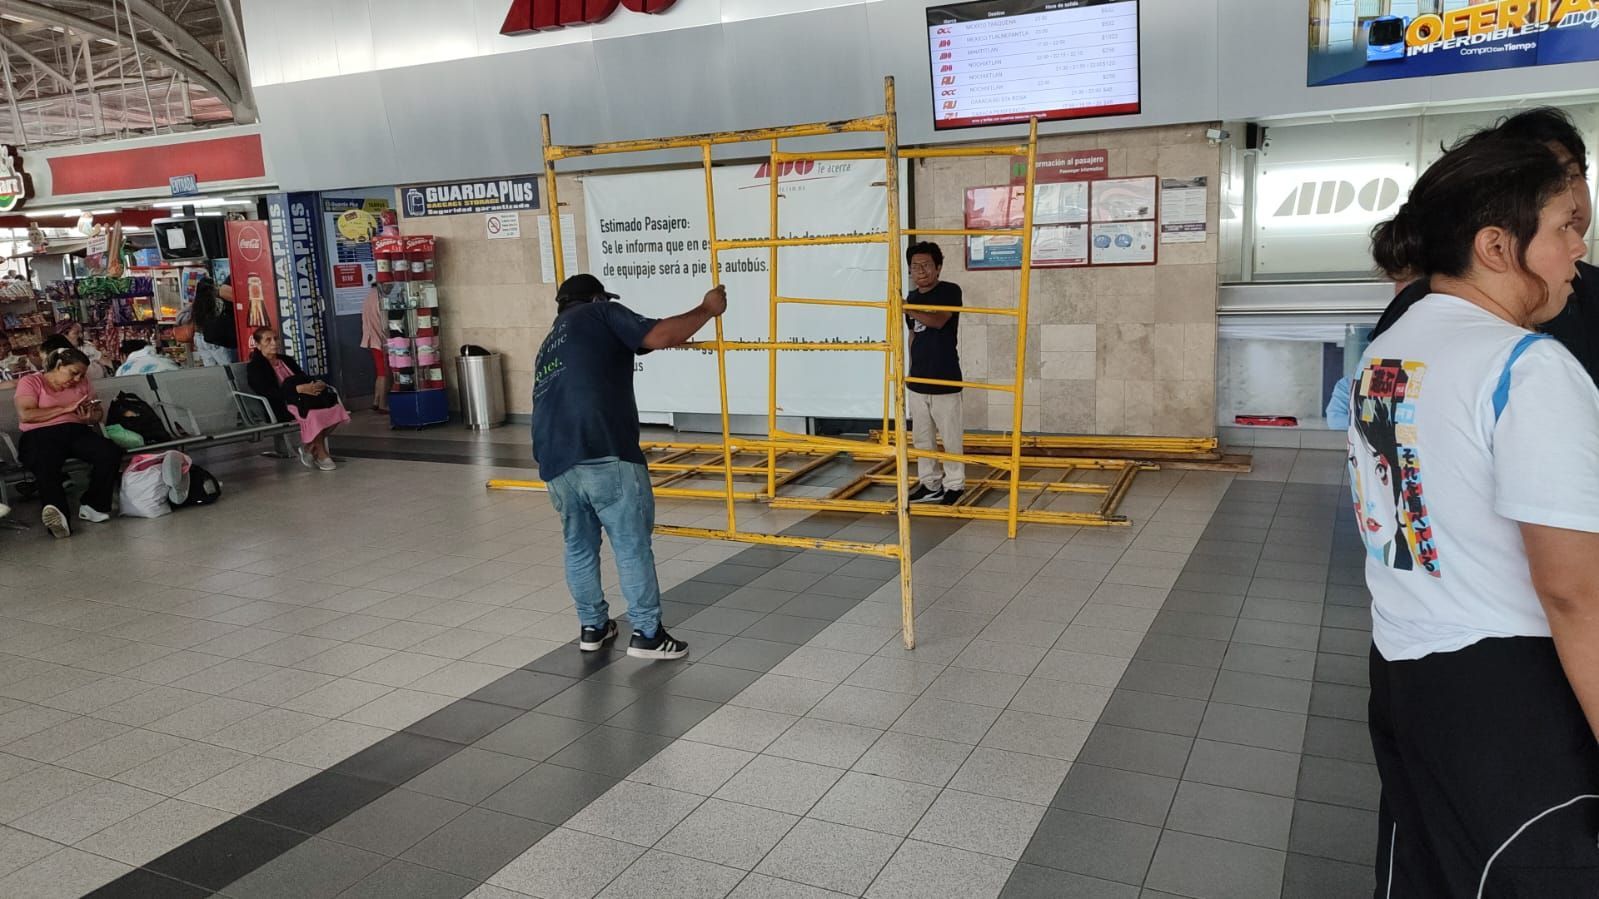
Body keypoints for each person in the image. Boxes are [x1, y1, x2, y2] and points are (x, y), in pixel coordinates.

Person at [1354, 137, 1599, 895]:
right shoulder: (1525, 367)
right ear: (1496, 244)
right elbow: (1571, 592)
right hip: (1511, 697)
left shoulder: (1391, 349)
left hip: (1404, 670)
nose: (1577, 251)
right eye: (1566, 226)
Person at [532, 273, 727, 661]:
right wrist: (708, 309)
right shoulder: (601, 314)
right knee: (631, 544)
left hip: (555, 459)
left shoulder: (550, 341)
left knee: (579, 546)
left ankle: (593, 627)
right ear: (597, 297)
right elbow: (659, 336)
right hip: (603, 448)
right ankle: (648, 634)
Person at [1371, 107, 1597, 384]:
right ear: (1494, 246)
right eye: (1542, 182)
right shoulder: (1423, 304)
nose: (1568, 195)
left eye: (1572, 175)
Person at [13, 346, 122, 538]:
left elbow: (97, 412)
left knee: (109, 452)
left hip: (76, 431)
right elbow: (26, 414)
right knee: (45, 462)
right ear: (59, 365)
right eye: (74, 373)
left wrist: (90, 417)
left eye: (81, 375)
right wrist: (65, 409)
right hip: (39, 434)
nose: (78, 380)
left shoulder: (83, 384)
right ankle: (59, 517)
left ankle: (94, 504)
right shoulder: (31, 382)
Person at [903, 241, 965, 505]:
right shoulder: (913, 298)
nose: (921, 270)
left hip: (945, 376)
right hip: (918, 379)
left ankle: (955, 485)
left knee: (950, 437)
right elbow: (914, 334)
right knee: (922, 438)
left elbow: (939, 321)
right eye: (915, 266)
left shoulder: (949, 291)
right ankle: (930, 484)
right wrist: (911, 369)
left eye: (927, 265)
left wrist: (905, 307)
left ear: (938, 267)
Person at [246, 327, 348, 472]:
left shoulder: (286, 360)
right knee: (313, 414)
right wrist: (297, 390)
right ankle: (321, 453)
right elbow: (267, 392)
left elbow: (303, 377)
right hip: (281, 404)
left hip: (303, 400)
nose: (274, 343)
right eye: (268, 340)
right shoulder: (255, 367)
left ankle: (309, 447)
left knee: (336, 409)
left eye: (275, 338)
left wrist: (315, 383)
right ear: (257, 344)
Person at [190, 277, 238, 367]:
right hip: (214, 337)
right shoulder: (216, 301)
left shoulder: (196, 303)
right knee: (227, 367)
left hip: (198, 338)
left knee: (210, 367)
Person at [360, 282, 390, 413]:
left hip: (371, 340)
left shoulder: (369, 296)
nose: (391, 289)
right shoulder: (380, 299)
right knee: (384, 374)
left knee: (380, 372)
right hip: (380, 341)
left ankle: (376, 401)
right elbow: (385, 324)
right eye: (390, 286)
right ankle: (383, 405)